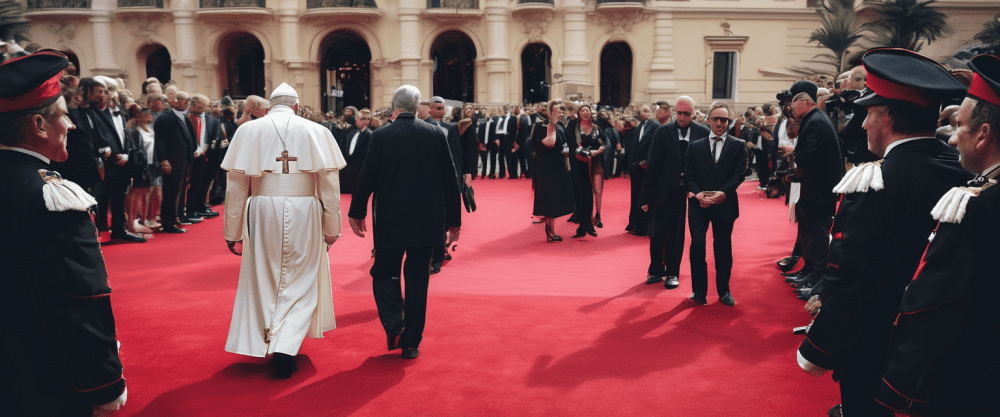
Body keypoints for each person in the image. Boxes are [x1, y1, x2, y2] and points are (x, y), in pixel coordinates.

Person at [796, 48, 973, 417]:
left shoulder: (874, 183)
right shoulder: (963, 173)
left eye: (869, 113)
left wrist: (819, 347)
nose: (863, 124)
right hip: (940, 346)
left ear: (887, 115)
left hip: (875, 342)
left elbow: (849, 278)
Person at [0, 50, 128, 416]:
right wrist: (103, 383)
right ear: (39, 125)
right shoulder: (51, 196)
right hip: (42, 379)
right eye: (63, 115)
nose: (71, 125)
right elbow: (80, 298)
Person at [874, 53, 1000, 416]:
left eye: (960, 126)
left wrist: (897, 384)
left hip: (970, 380)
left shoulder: (979, 205)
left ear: (983, 134)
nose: (953, 139)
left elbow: (936, 304)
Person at [220, 83, 346, 378]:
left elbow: (236, 186)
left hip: (262, 209)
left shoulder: (248, 131)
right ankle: (286, 344)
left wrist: (232, 231)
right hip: (305, 210)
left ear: (269, 106)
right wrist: (332, 227)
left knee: (264, 275)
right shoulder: (317, 131)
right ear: (296, 107)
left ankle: (269, 336)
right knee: (304, 275)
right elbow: (329, 187)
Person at [348, 85, 461, 359]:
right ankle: (411, 342)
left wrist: (357, 211)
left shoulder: (381, 135)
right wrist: (454, 220)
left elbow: (367, 176)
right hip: (427, 219)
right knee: (418, 278)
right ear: (418, 106)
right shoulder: (435, 133)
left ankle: (393, 321)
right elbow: (450, 178)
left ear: (394, 106)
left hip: (391, 219)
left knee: (384, 271)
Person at [783, 80, 845, 296]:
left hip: (818, 189)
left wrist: (794, 155)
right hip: (818, 187)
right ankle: (810, 272)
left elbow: (808, 156)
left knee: (817, 236)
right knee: (811, 233)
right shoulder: (815, 119)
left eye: (794, 103)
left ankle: (817, 278)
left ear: (806, 102)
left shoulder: (814, 122)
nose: (791, 107)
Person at [642, 96, 710, 288]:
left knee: (677, 233)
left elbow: (705, 165)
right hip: (663, 189)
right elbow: (653, 165)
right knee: (658, 230)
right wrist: (646, 196)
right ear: (674, 112)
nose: (682, 117)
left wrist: (699, 189)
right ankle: (656, 269)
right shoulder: (662, 132)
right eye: (679, 113)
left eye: (686, 113)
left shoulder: (703, 132)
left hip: (690, 190)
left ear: (693, 113)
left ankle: (673, 272)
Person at [684, 101, 747, 306]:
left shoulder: (738, 145)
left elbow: (739, 175)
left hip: (725, 205)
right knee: (697, 245)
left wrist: (723, 193)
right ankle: (699, 292)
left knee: (722, 247)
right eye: (716, 119)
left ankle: (724, 291)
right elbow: (688, 176)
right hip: (698, 205)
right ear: (709, 121)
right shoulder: (695, 146)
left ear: (728, 122)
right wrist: (698, 194)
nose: (720, 123)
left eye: (724, 120)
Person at [531, 100, 576, 241]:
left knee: (555, 199)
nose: (560, 113)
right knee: (549, 199)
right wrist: (553, 124)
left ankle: (551, 229)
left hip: (558, 166)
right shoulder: (541, 126)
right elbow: (549, 143)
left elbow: (564, 143)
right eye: (557, 111)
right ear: (550, 113)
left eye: (561, 110)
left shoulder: (560, 126)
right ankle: (550, 231)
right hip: (546, 167)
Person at [154, 91, 197, 233]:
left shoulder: (184, 117)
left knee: (178, 192)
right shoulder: (165, 118)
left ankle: (173, 218)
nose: (186, 103)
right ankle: (168, 222)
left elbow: (190, 138)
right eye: (183, 100)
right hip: (172, 160)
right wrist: (163, 160)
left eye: (187, 100)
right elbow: (160, 141)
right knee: (170, 193)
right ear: (175, 101)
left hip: (183, 161)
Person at [566, 104, 605, 237]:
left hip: (592, 165)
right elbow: (571, 144)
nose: (585, 112)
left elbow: (604, 142)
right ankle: (582, 225)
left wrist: (599, 149)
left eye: (587, 110)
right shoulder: (573, 126)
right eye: (582, 110)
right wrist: (589, 152)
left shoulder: (596, 127)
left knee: (589, 194)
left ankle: (589, 223)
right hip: (577, 164)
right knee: (579, 194)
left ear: (590, 113)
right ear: (578, 113)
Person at [626, 104, 661, 236]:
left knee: (645, 197)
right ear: (639, 113)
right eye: (643, 111)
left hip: (647, 167)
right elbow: (633, 146)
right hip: (635, 168)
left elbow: (654, 146)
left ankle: (644, 227)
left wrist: (647, 161)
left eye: (648, 111)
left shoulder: (655, 126)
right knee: (635, 196)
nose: (646, 113)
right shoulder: (638, 126)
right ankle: (634, 224)